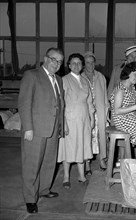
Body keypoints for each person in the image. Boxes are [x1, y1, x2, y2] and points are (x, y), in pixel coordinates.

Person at [18, 47, 65, 214]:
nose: (57, 64)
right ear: (45, 58)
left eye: (60, 61)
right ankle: (30, 199)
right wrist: (28, 128)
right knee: (32, 165)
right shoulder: (32, 75)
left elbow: (60, 105)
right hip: (35, 129)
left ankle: (44, 189)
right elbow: (24, 103)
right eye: (54, 59)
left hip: (52, 129)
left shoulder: (58, 79)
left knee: (48, 162)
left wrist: (61, 125)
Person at [57, 53, 95, 189]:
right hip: (70, 119)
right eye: (73, 63)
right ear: (68, 65)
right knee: (68, 148)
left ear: (82, 65)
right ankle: (66, 177)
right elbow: (61, 103)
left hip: (84, 119)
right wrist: (63, 122)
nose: (76, 65)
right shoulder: (64, 80)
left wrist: (91, 119)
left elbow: (90, 102)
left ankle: (81, 175)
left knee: (82, 146)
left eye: (79, 63)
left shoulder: (85, 81)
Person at [82, 51, 109, 171]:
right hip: (86, 112)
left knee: (100, 136)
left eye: (92, 62)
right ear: (84, 64)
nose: (90, 65)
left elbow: (105, 96)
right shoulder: (80, 77)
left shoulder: (101, 77)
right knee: (87, 136)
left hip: (100, 112)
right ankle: (87, 162)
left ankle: (101, 159)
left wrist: (106, 111)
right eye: (87, 63)